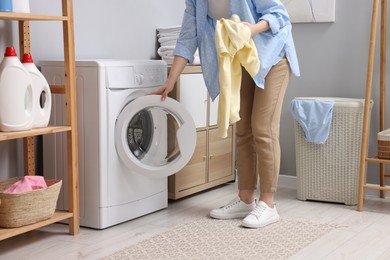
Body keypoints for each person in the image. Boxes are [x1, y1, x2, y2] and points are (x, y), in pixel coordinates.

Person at [150, 0, 300, 229]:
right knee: (242, 129)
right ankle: (246, 199)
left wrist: (252, 28)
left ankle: (269, 205)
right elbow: (187, 38)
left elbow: (279, 15)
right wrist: (171, 80)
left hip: (274, 57)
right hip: (242, 60)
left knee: (263, 128)